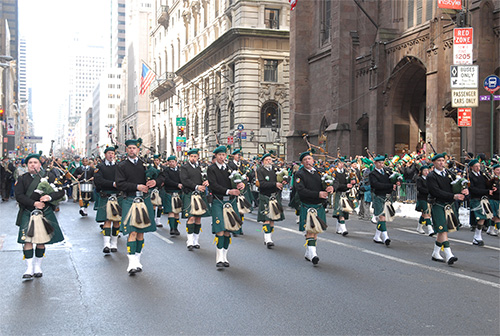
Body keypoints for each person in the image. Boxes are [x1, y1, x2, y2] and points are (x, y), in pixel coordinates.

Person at [14, 153, 65, 279]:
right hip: (28, 211)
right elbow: (19, 196)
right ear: (26, 165)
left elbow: (61, 191)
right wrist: (34, 203)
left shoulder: (49, 176)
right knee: (27, 240)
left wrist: (49, 197)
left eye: (35, 162)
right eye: (30, 163)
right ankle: (29, 268)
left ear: (40, 164)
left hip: (44, 211)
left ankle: (38, 266)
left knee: (41, 240)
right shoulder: (22, 178)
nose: (33, 165)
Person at [115, 138, 161, 275]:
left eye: (134, 148)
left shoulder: (145, 165)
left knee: (141, 232)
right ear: (126, 150)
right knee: (132, 231)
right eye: (129, 148)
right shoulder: (121, 166)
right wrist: (137, 186)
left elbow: (161, 176)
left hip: (144, 199)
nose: (131, 150)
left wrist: (155, 182)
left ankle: (138, 260)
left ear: (138, 150)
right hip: (129, 198)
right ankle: (131, 262)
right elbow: (120, 184)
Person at [426, 153, 468, 265]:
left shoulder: (449, 174)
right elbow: (436, 192)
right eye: (438, 161)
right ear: (434, 163)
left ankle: (436, 253)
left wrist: (464, 189)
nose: (441, 163)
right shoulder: (431, 176)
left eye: (442, 160)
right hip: (438, 204)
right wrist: (453, 196)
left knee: (442, 230)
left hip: (449, 205)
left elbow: (458, 184)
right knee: (443, 230)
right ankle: (449, 255)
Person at [207, 145, 244, 267]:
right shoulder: (211, 169)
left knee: (228, 229)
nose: (222, 157)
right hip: (219, 200)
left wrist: (241, 185)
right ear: (216, 156)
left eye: (223, 155)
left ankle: (225, 257)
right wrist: (229, 191)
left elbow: (237, 180)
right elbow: (213, 185)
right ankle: (219, 258)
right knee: (220, 229)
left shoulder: (230, 168)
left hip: (231, 202)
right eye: (220, 155)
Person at [295, 151, 333, 265]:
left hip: (319, 205)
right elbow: (301, 190)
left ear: (313, 161)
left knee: (315, 231)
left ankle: (309, 253)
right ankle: (313, 255)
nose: (308, 161)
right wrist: (318, 194)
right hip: (307, 205)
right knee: (310, 231)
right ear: (302, 162)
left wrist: (331, 187)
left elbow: (333, 182)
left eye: (309, 159)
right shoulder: (299, 174)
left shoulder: (319, 173)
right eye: (305, 160)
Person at [180, 148, 210, 251]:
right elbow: (185, 180)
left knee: (198, 218)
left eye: (195, 156)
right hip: (190, 193)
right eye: (191, 156)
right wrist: (196, 186)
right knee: (191, 217)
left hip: (199, 194)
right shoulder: (184, 167)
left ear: (198, 157)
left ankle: (196, 240)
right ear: (189, 157)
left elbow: (204, 178)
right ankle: (190, 240)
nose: (193, 158)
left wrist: (206, 182)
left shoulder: (200, 168)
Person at [94, 146, 121, 254]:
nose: (111, 155)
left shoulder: (119, 167)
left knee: (116, 221)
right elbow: (98, 180)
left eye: (112, 153)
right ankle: (106, 244)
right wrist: (112, 184)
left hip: (117, 195)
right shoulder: (100, 167)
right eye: (109, 153)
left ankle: (114, 243)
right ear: (105, 155)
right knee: (107, 220)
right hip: (105, 195)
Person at [369, 155, 400, 246]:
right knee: (382, 217)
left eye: (382, 163)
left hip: (386, 197)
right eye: (379, 163)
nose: (381, 164)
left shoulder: (386, 172)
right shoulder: (372, 174)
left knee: (383, 218)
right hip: (378, 196)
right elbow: (376, 185)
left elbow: (392, 179)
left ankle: (376, 236)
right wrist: (390, 186)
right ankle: (386, 237)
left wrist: (397, 181)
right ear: (375, 163)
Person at [256, 152, 285, 248]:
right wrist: (275, 184)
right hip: (265, 196)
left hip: (275, 196)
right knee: (266, 219)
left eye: (270, 160)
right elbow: (262, 184)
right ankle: (267, 239)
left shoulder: (276, 170)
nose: (269, 161)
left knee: (272, 219)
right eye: (267, 160)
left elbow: (285, 176)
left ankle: (269, 238)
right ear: (263, 162)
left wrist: (285, 180)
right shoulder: (260, 170)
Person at [227, 148, 254, 236]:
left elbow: (251, 174)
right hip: (234, 190)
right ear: (233, 155)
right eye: (238, 155)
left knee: (241, 210)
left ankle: (239, 227)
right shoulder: (229, 165)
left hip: (243, 189)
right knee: (234, 210)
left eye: (240, 155)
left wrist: (248, 177)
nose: (239, 156)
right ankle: (234, 228)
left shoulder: (244, 165)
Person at [468, 159, 495, 246]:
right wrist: (486, 191)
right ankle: (477, 236)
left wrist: (492, 185)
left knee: (483, 217)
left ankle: (477, 236)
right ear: (471, 167)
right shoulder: (470, 177)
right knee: (480, 217)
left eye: (479, 166)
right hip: (475, 198)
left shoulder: (482, 175)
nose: (478, 168)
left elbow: (486, 184)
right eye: (476, 166)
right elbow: (472, 189)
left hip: (483, 198)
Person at [159, 155, 183, 235]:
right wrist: (177, 184)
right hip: (169, 192)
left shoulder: (180, 170)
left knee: (176, 212)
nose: (171, 163)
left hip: (178, 193)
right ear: (168, 163)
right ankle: (172, 228)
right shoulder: (166, 171)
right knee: (171, 211)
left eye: (173, 162)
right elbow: (167, 180)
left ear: (176, 162)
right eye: (170, 162)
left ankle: (176, 228)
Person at [332, 158, 356, 236]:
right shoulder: (334, 173)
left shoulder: (346, 172)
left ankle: (338, 228)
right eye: (340, 163)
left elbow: (350, 182)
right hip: (338, 193)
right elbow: (336, 185)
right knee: (340, 212)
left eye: (342, 163)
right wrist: (346, 185)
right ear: (336, 164)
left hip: (345, 194)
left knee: (343, 212)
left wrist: (352, 182)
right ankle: (344, 229)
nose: (342, 164)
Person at [415, 165, 435, 236]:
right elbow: (419, 188)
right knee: (426, 213)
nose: (426, 172)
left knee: (424, 213)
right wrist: (429, 191)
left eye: (427, 170)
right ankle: (430, 229)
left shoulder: (429, 179)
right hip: (422, 198)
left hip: (429, 198)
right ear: (421, 172)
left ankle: (419, 227)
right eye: (424, 171)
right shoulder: (419, 179)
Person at [487, 164, 500, 236]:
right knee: (496, 216)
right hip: (493, 198)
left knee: (495, 216)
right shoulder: (491, 179)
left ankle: (490, 229)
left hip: (498, 199)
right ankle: (499, 229)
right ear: (494, 170)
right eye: (497, 170)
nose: (499, 171)